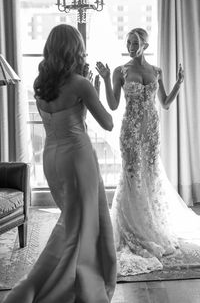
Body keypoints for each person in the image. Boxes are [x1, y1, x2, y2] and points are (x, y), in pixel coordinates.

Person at [3, 24, 117, 303]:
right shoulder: (80, 83)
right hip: (77, 159)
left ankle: (75, 283)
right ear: (73, 49)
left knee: (73, 223)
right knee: (82, 224)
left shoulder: (41, 83)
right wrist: (93, 92)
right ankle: (47, 287)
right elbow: (108, 122)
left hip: (52, 158)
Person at [95, 27, 196, 277]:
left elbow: (165, 104)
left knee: (150, 177)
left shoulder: (156, 71)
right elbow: (114, 104)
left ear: (145, 45)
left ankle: (150, 225)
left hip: (151, 133)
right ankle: (133, 229)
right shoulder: (121, 71)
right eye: (128, 42)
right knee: (132, 177)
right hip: (130, 132)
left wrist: (179, 84)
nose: (130, 46)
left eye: (135, 42)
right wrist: (107, 79)